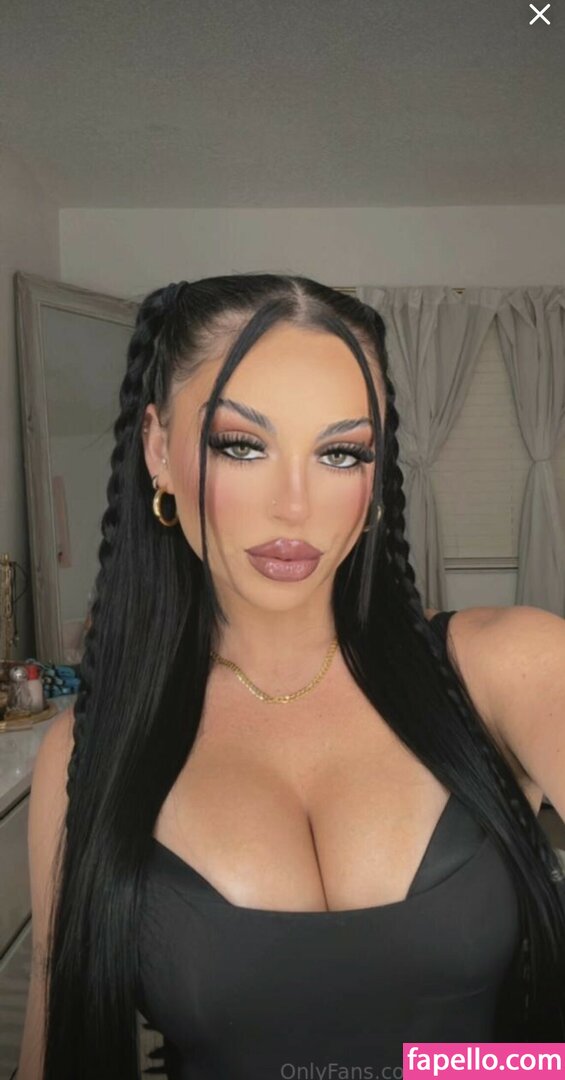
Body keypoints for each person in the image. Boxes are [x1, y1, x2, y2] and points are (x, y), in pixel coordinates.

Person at [18, 275, 565, 1079]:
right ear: (158, 449)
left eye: (340, 453)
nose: (295, 506)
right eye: (242, 445)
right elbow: (56, 1048)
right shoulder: (91, 748)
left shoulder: (506, 666)